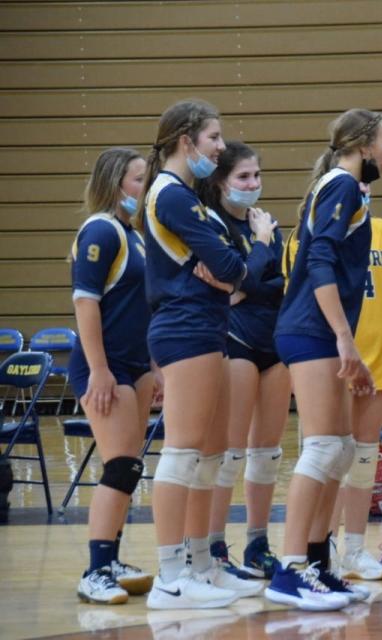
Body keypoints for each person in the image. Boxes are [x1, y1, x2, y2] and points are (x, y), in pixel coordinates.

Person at [139, 99, 275, 609]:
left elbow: (230, 268)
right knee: (183, 451)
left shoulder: (188, 199)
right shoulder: (171, 196)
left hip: (209, 327)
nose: (220, 147)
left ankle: (202, 564)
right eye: (215, 138)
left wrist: (233, 266)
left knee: (211, 453)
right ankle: (170, 575)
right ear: (185, 141)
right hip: (185, 328)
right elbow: (235, 268)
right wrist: (254, 249)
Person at [264, 108, 382, 612]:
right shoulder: (341, 185)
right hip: (309, 331)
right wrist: (344, 337)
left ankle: (318, 564)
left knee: (340, 448)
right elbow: (318, 260)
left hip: (319, 332)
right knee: (321, 448)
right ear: (362, 145)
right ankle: (289, 568)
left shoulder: (344, 188)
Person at [196, 141, 289, 582]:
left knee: (267, 454)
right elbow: (239, 280)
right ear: (220, 182)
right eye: (243, 177)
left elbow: (280, 283)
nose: (253, 185)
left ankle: (258, 543)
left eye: (257, 176)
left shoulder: (267, 225)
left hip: (276, 342)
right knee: (229, 454)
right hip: (236, 338)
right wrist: (259, 260)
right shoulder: (212, 227)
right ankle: (215, 547)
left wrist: (251, 278)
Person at [71, 148, 156, 605]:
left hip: (136, 366)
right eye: (139, 179)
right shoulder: (100, 229)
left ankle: (113, 559)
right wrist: (100, 370)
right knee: (120, 466)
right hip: (105, 367)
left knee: (131, 467)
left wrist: (155, 367)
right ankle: (95, 571)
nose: (144, 187)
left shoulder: (134, 235)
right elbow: (86, 302)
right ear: (116, 183)